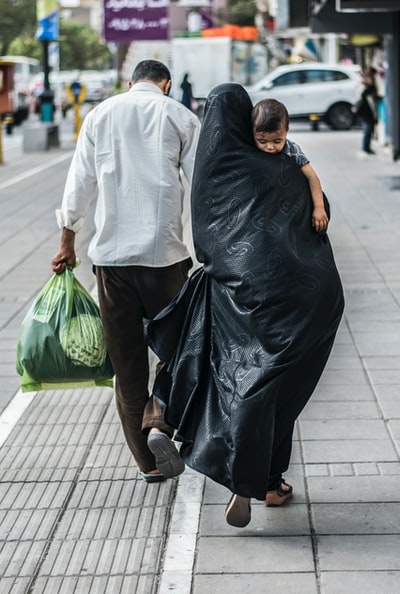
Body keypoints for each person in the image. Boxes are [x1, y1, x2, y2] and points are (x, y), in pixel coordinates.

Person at [145, 83, 344, 527]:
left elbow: (208, 239)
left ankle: (165, 422)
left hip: (239, 292)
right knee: (276, 388)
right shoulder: (282, 165)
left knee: (215, 361)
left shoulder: (213, 168)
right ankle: (267, 481)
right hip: (305, 299)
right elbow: (319, 211)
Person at [51, 59, 201, 483]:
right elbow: (203, 185)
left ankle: (148, 464)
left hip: (112, 264)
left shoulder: (100, 115)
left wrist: (67, 243)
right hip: (165, 259)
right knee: (178, 351)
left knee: (127, 363)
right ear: (166, 84)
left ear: (130, 82)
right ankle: (160, 423)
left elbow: (79, 181)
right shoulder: (180, 116)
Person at [252, 98, 329, 234]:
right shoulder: (250, 149)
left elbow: (312, 177)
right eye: (262, 141)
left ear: (287, 131)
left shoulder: (291, 150)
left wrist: (319, 208)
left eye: (277, 141)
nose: (270, 147)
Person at [354, 66, 378, 155]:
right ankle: (366, 147)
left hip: (365, 107)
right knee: (368, 126)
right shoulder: (366, 81)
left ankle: (366, 146)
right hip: (366, 107)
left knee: (368, 126)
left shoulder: (363, 80)